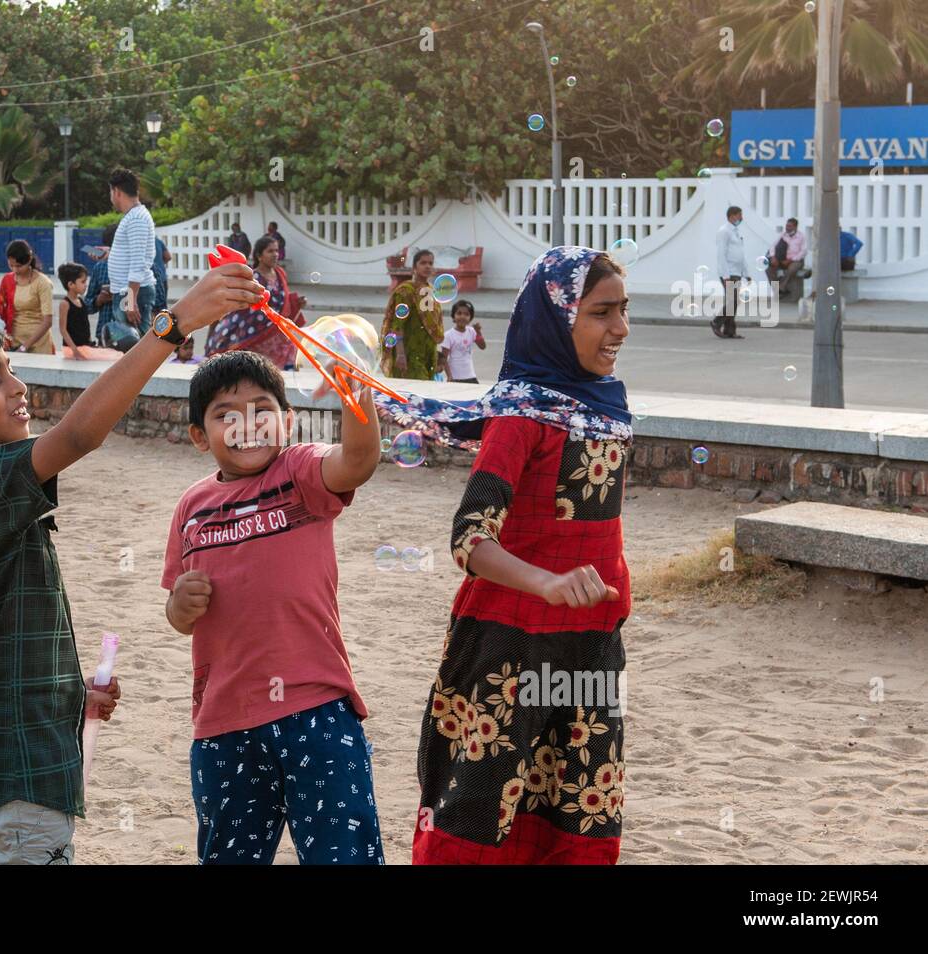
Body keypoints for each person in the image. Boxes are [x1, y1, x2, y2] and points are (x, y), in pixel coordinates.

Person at [0, 256, 265, 865]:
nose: (18, 388)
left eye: (11, 370)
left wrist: (65, 696)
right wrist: (174, 325)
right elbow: (78, 436)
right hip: (15, 783)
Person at [375, 246, 632, 865]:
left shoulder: (605, 406)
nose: (620, 328)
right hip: (509, 650)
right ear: (556, 317)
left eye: (624, 311)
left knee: (578, 809)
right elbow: (470, 537)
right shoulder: (519, 417)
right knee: (480, 812)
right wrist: (545, 582)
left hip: (590, 643)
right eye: (601, 313)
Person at [163, 351, 385, 865]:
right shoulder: (190, 507)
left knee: (344, 855)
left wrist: (357, 399)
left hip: (316, 709)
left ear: (287, 420)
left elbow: (358, 461)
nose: (247, 424)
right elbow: (176, 616)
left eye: (262, 409)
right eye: (225, 415)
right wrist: (180, 604)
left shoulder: (300, 473)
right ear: (200, 436)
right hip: (223, 720)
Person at [204, 234, 306, 368]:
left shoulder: (280, 273)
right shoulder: (251, 276)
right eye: (270, 251)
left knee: (285, 373)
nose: (275, 254)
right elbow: (234, 302)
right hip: (251, 336)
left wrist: (296, 302)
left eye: (276, 250)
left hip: (278, 337)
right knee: (256, 371)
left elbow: (282, 301)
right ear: (259, 255)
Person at [106, 168, 157, 337]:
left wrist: (130, 300)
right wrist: (110, 253)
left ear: (117, 192)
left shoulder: (136, 218)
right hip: (128, 292)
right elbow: (132, 253)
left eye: (111, 192)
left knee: (135, 349)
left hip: (133, 293)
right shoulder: (134, 216)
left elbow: (138, 262)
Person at [380, 249, 444, 380]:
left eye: (430, 263)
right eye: (423, 263)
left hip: (428, 352)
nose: (427, 266)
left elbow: (434, 324)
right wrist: (401, 354)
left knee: (426, 393)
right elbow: (398, 325)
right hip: (409, 352)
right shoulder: (406, 291)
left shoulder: (432, 291)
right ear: (415, 267)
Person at [0, 239, 56, 356]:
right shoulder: (7, 280)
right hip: (13, 342)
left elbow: (47, 321)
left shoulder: (42, 283)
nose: (15, 270)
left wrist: (24, 347)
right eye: (11, 265)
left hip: (39, 344)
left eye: (18, 266)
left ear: (29, 260)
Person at [713, 205, 747, 339]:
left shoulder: (736, 232)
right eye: (739, 215)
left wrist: (746, 273)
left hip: (737, 272)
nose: (741, 218)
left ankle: (730, 330)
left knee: (733, 301)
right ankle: (716, 322)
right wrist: (725, 275)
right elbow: (721, 254)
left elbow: (740, 254)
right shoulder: (724, 231)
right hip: (729, 272)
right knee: (733, 301)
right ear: (732, 216)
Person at [439, 299, 486, 383]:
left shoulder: (471, 331)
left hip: (471, 375)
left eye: (466, 314)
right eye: (459, 313)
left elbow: (482, 346)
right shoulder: (448, 335)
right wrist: (449, 376)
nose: (462, 317)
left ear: (470, 318)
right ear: (453, 316)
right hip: (455, 377)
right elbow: (444, 359)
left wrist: (478, 332)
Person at [57, 263, 94, 355]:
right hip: (72, 349)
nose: (86, 285)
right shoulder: (65, 304)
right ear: (71, 284)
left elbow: (85, 324)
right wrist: (74, 349)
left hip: (84, 346)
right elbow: (63, 330)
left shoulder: (81, 301)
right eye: (83, 282)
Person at [768, 217, 808, 302]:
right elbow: (773, 246)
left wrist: (791, 260)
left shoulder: (801, 236)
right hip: (782, 260)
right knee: (769, 269)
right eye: (786, 225)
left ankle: (781, 288)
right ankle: (778, 289)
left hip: (796, 260)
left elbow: (803, 251)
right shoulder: (783, 235)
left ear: (795, 227)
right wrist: (773, 257)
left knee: (791, 269)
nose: (787, 227)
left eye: (789, 226)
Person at [152, 236, 170, 314]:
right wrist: (161, 264)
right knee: (161, 309)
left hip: (148, 280)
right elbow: (168, 256)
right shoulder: (158, 241)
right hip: (162, 278)